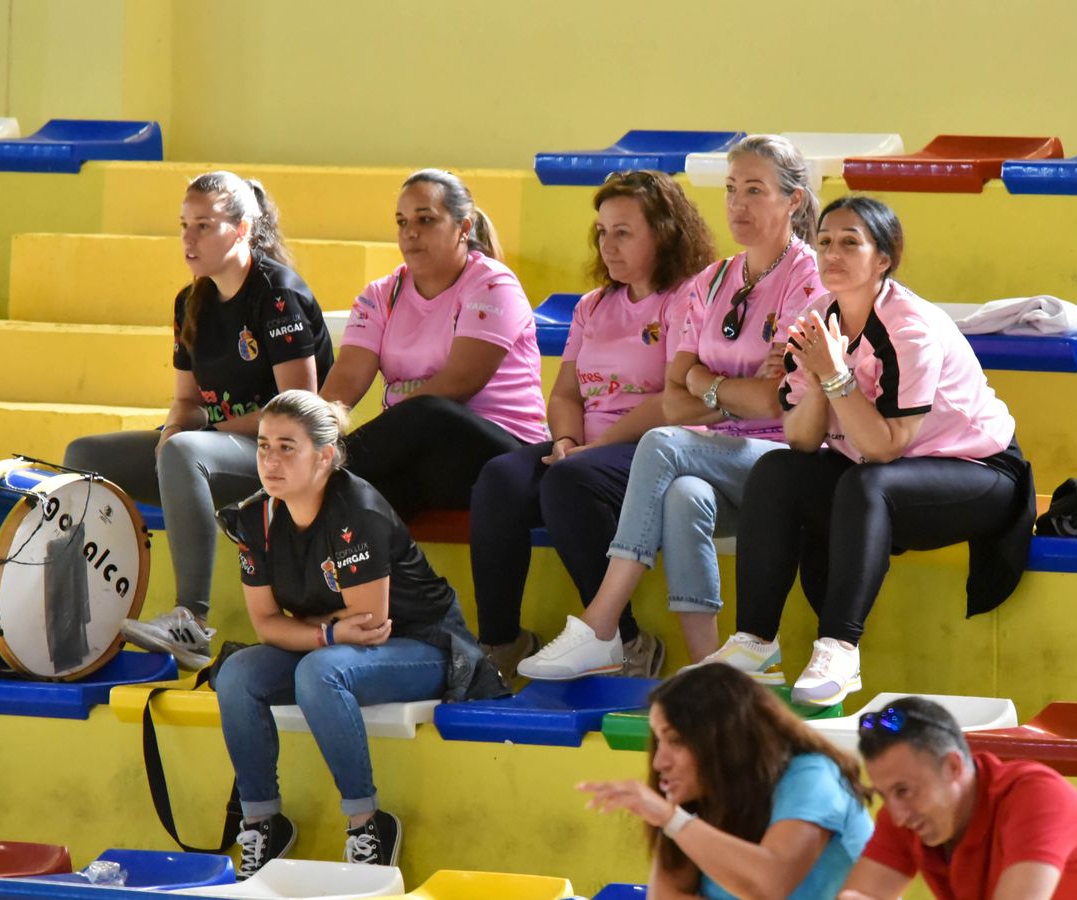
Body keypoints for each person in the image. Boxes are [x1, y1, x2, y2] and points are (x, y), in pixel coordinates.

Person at [516, 135, 823, 680]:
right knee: (684, 496)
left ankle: (601, 623)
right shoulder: (712, 280)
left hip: (785, 459)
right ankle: (713, 671)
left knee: (660, 443)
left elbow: (777, 401)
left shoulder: (807, 279)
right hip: (722, 455)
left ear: (793, 200)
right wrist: (732, 388)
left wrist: (708, 383)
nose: (738, 204)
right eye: (731, 189)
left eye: (755, 190)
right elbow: (677, 398)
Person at [717, 196, 1035, 707]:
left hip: (979, 473)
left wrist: (834, 374)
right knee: (776, 470)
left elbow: (885, 447)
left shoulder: (910, 328)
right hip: (882, 474)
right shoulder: (815, 318)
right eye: (824, 242)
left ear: (883, 258)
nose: (832, 254)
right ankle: (755, 645)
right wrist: (818, 380)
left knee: (867, 483)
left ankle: (840, 649)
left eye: (850, 242)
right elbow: (801, 439)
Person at [213, 390, 505, 877]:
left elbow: (368, 623)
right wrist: (328, 633)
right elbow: (265, 624)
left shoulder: (356, 509)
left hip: (426, 646)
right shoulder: (254, 519)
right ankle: (262, 822)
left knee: (320, 673)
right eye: (264, 446)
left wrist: (311, 633)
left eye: (287, 447)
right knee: (238, 674)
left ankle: (367, 825)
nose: (270, 460)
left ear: (324, 456)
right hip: (337, 649)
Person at [64, 171, 334, 669]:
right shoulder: (190, 302)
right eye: (184, 225)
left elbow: (296, 409)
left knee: (186, 451)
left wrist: (196, 437)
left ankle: (190, 621)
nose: (189, 238)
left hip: (286, 456)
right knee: (84, 455)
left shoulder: (277, 293)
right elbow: (188, 401)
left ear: (242, 229)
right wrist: (172, 431)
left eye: (204, 226)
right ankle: (83, 615)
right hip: (217, 448)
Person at [470, 170, 715, 681]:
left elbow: (674, 400)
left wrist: (594, 448)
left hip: (657, 445)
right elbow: (564, 393)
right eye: (602, 232)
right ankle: (501, 642)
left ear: (664, 233)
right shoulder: (593, 305)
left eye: (623, 232)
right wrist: (566, 439)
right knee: (499, 477)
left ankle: (624, 642)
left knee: (570, 480)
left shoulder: (688, 300)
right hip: (590, 447)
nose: (608, 244)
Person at [321, 169, 546, 520]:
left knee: (428, 411)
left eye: (425, 220)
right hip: (422, 457)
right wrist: (310, 432)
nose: (410, 232)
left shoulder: (492, 283)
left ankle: (320, 470)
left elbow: (460, 381)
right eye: (402, 222)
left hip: (503, 454)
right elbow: (347, 377)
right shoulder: (381, 294)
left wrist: (332, 454)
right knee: (359, 497)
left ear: (464, 228)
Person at [578, 663, 872, 898]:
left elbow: (770, 885)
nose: (659, 762)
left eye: (676, 740)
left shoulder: (813, 776)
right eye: (658, 740)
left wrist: (672, 820)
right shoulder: (696, 796)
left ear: (725, 741)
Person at [839, 696, 1077, 899]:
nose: (896, 814)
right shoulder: (908, 812)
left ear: (953, 767)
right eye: (884, 795)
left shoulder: (1037, 798)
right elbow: (863, 895)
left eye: (903, 791)